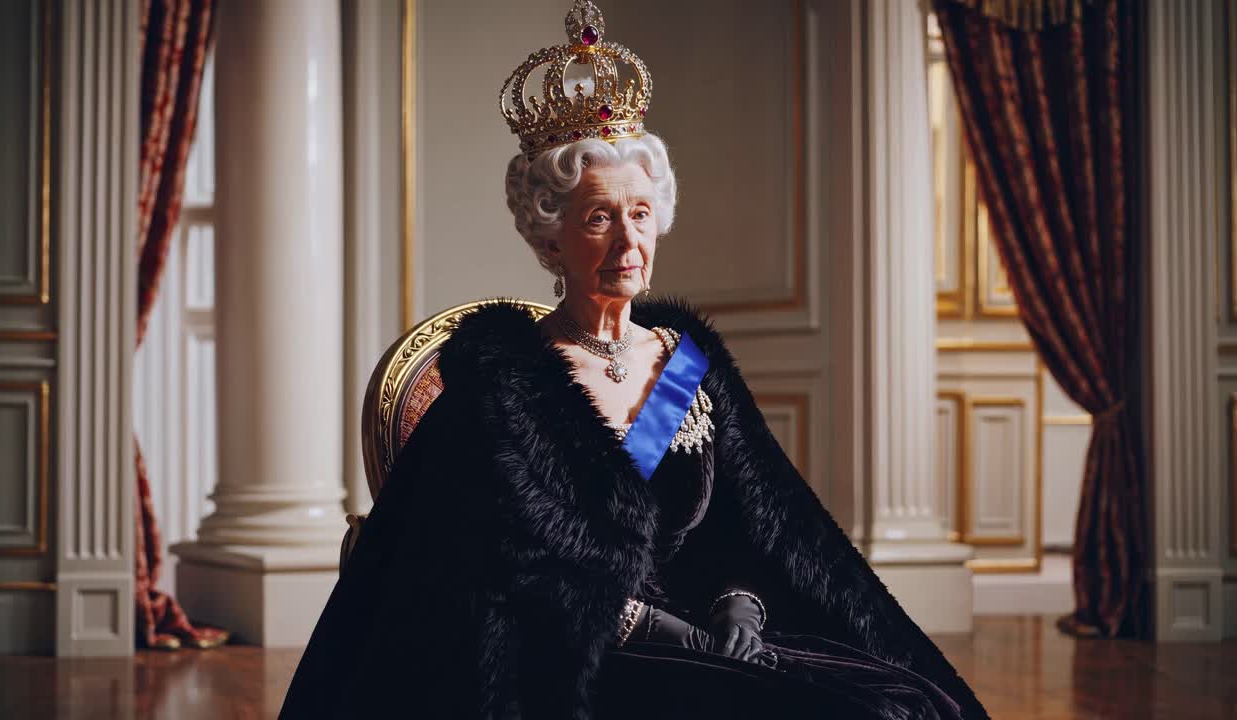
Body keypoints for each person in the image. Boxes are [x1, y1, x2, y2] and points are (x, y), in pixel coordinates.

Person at [280, 2, 988, 718]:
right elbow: (495, 572)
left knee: (905, 702)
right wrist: (650, 625)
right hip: (575, 663)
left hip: (705, 635)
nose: (629, 241)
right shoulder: (502, 386)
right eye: (599, 217)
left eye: (641, 213)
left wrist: (739, 605)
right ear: (549, 239)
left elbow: (761, 531)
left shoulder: (686, 365)